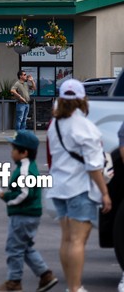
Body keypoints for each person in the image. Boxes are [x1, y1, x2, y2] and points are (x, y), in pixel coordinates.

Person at [47, 78, 111, 292]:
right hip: (80, 189)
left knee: (66, 239)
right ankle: (75, 288)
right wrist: (105, 193)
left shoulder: (55, 124)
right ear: (83, 98)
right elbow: (94, 167)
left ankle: (72, 287)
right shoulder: (86, 127)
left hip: (59, 187)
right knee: (77, 241)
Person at [0, 130, 58, 292]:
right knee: (24, 246)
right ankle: (45, 275)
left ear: (24, 153)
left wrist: (6, 198)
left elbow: (25, 192)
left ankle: (14, 282)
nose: (11, 152)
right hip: (28, 214)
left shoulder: (25, 170)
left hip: (23, 214)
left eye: (14, 149)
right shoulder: (26, 166)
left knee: (14, 248)